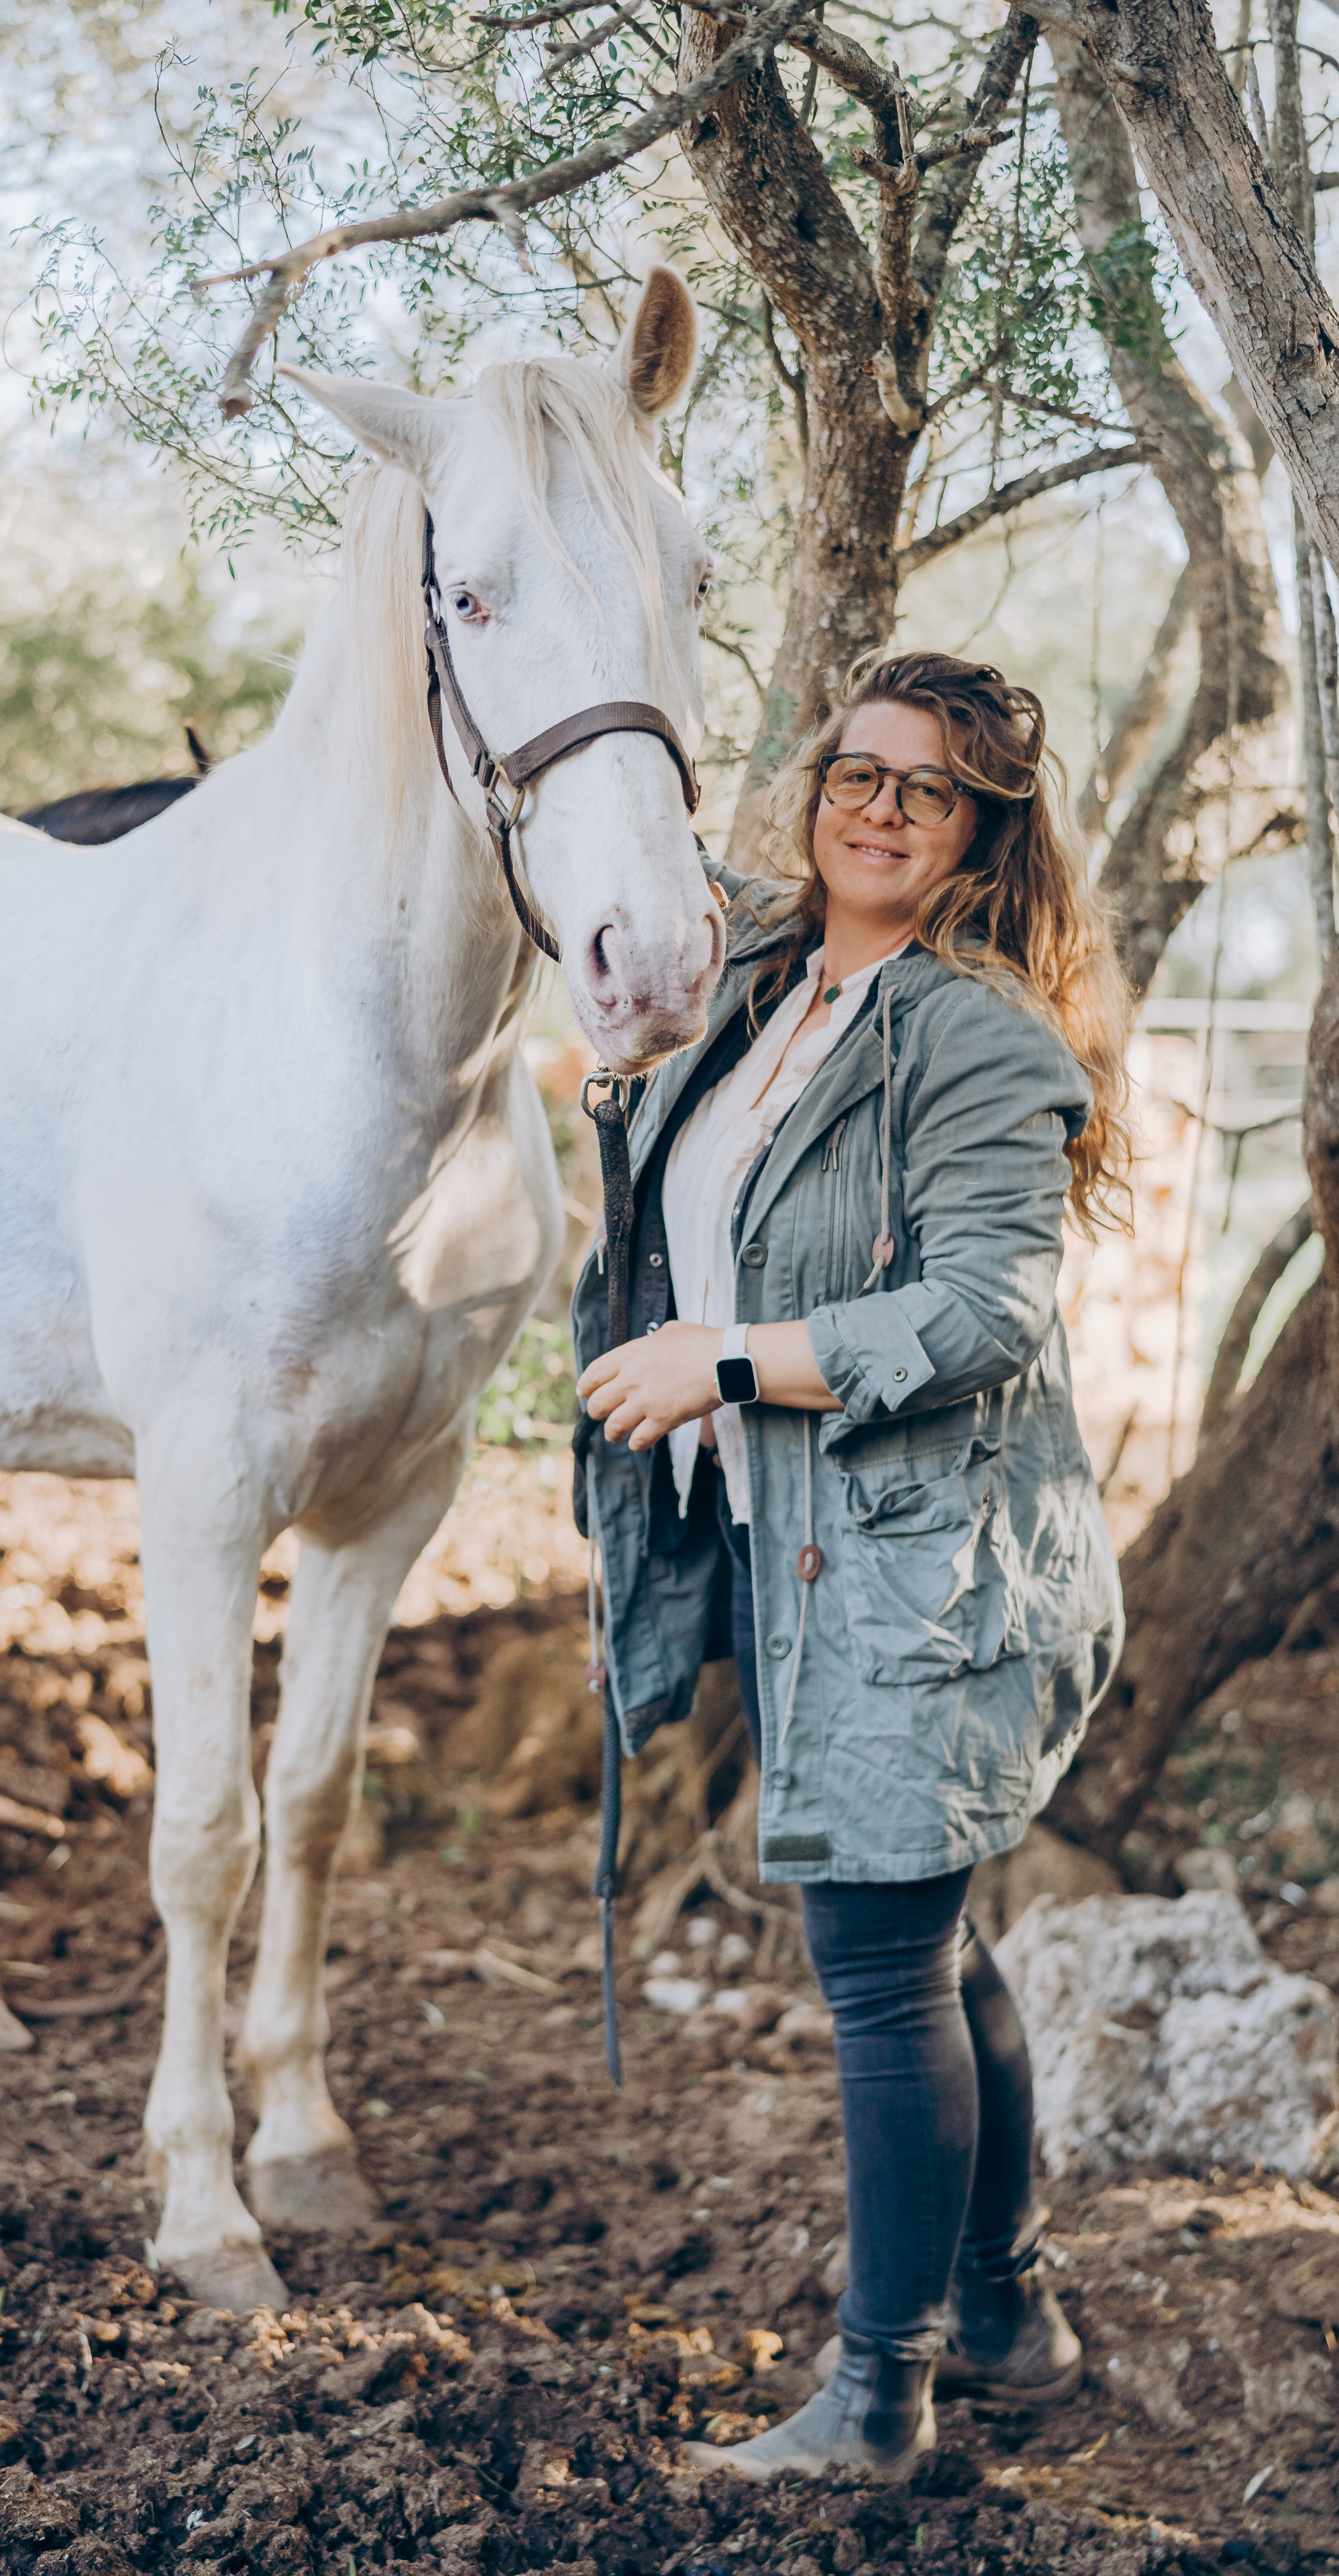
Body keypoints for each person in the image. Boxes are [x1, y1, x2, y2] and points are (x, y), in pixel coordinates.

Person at [572, 648, 1130, 2483]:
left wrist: (725, 1362)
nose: (879, 810)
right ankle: (1010, 2312)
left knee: (882, 1970)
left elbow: (983, 1311)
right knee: (928, 1940)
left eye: (927, 789)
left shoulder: (977, 1037)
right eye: (857, 773)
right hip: (795, 1543)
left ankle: (877, 2397)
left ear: (981, 833)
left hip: (928, 1572)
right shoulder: (759, 976)